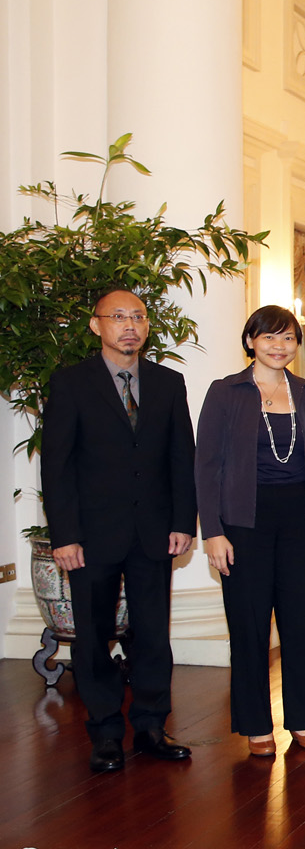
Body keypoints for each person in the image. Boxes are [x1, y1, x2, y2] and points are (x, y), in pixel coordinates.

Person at [40, 287, 196, 772]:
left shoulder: (169, 384)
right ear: (97, 325)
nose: (130, 326)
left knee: (153, 633)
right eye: (118, 317)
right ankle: (105, 732)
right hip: (90, 536)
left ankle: (150, 726)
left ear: (146, 327)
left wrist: (181, 522)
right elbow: (57, 466)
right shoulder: (70, 384)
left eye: (138, 318)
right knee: (93, 635)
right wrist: (64, 535)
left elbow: (180, 459)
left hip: (154, 532)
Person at [196, 306, 305, 755]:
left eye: (289, 338)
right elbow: (206, 466)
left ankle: (302, 719)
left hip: (300, 520)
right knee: (249, 625)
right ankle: (257, 725)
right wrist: (212, 531)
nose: (279, 346)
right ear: (251, 340)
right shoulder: (226, 392)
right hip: (243, 523)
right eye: (269, 337)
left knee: (299, 622)